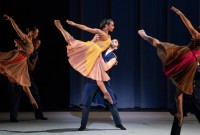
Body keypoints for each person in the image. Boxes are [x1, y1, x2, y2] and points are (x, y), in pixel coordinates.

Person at [138, 6, 200, 135]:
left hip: (190, 67)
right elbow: (189, 26)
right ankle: (145, 35)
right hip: (184, 57)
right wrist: (180, 13)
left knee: (180, 90)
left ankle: (180, 114)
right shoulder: (198, 36)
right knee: (161, 45)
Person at [54, 19, 115, 105]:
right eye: (112, 25)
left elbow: (102, 45)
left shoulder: (108, 37)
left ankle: (106, 94)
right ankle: (61, 29)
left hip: (96, 55)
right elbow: (87, 28)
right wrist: (74, 24)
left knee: (99, 78)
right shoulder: (101, 32)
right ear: (106, 26)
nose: (113, 27)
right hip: (91, 50)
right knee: (71, 41)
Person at [78, 37, 126, 131]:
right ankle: (82, 125)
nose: (113, 41)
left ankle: (118, 124)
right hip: (92, 79)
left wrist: (100, 58)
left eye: (116, 41)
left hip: (103, 81)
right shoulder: (102, 50)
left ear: (116, 47)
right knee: (86, 103)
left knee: (112, 101)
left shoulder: (113, 57)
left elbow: (105, 68)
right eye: (113, 40)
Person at [0, 14, 39, 109]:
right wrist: (11, 20)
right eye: (36, 33)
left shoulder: (31, 42)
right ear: (30, 32)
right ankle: (32, 99)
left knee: (24, 81)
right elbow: (17, 30)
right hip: (17, 57)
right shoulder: (25, 37)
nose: (37, 34)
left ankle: (32, 99)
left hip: (22, 62)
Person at [9, 38, 48, 122]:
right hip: (17, 74)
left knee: (35, 93)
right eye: (37, 43)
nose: (38, 45)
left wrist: (26, 59)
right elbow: (16, 41)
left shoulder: (35, 54)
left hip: (27, 75)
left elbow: (32, 68)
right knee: (15, 95)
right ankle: (13, 117)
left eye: (39, 44)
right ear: (32, 42)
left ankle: (39, 115)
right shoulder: (24, 48)